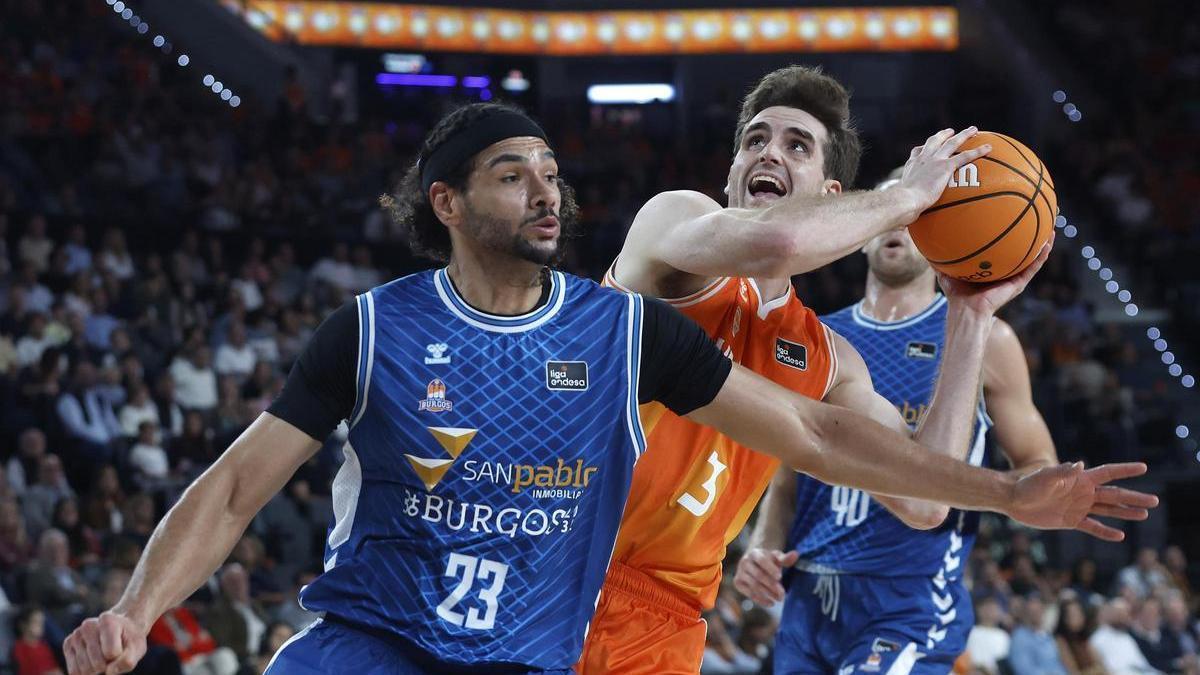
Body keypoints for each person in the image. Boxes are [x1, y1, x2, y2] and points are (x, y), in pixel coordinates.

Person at [65, 103, 1153, 674]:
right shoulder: (669, 238)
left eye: (550, 169)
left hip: (619, 627)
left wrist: (997, 452)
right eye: (513, 171)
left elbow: (850, 452)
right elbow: (233, 489)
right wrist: (133, 612)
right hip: (465, 617)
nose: (545, 186)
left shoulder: (689, 341)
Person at [579, 65, 1087, 673]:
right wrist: (905, 198)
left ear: (831, 195)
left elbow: (920, 502)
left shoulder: (826, 357)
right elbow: (780, 243)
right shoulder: (672, 225)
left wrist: (969, 317)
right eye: (755, 141)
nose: (769, 152)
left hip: (669, 615)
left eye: (798, 146)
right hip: (564, 563)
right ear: (733, 174)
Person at [737, 169, 1069, 672]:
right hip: (808, 595)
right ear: (865, 231)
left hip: (909, 595)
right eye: (886, 209)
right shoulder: (819, 335)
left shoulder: (987, 339)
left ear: (937, 228)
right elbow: (788, 468)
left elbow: (1037, 462)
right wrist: (763, 543)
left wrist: (1008, 493)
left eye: (912, 212)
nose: (897, 224)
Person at [1009, 593, 1067, 675]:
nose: (1036, 614)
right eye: (1032, 612)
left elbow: (1059, 665)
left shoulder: (1047, 635)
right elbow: (1025, 670)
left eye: (1039, 610)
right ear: (1025, 614)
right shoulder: (1019, 638)